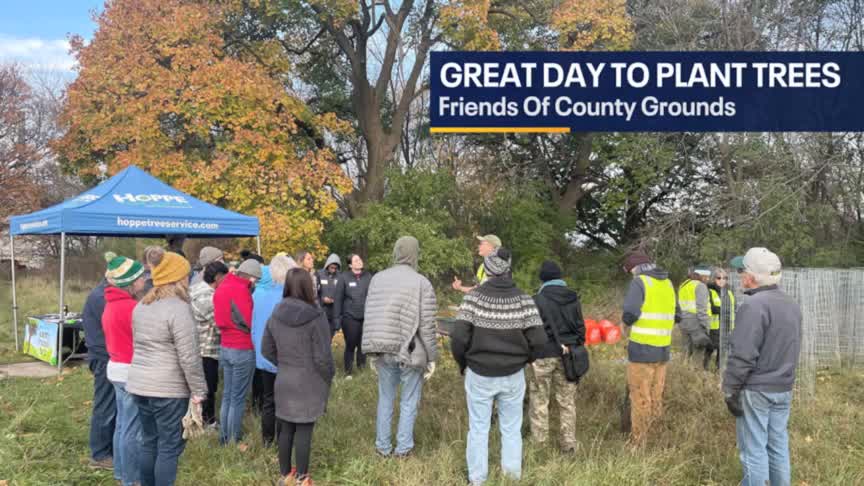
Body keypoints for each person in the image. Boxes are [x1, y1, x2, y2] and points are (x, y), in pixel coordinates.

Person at [450, 248, 546, 485]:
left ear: (487, 270)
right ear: (508, 270)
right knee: (512, 429)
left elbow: (458, 337)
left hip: (479, 372)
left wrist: (463, 363)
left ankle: (477, 480)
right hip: (513, 374)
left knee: (478, 428)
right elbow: (539, 340)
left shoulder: (473, 298)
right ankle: (511, 479)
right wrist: (526, 359)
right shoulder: (524, 299)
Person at [126, 251, 206, 486]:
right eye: (186, 275)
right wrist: (199, 391)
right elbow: (189, 356)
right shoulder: (179, 309)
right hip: (168, 390)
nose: (189, 279)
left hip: (140, 385)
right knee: (169, 447)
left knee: (149, 441)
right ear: (178, 278)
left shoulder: (142, 306)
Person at [723, 248, 801, 486]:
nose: (740, 276)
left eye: (742, 271)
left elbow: (742, 354)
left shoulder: (754, 305)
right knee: (777, 446)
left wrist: (730, 389)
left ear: (751, 277)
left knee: (753, 450)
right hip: (783, 387)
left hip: (757, 389)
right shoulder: (791, 303)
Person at [362, 236, 438, 458]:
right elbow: (427, 326)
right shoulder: (422, 283)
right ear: (415, 254)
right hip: (411, 350)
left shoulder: (377, 279)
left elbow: (370, 315)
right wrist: (432, 356)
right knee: (409, 400)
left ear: (396, 252)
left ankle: (382, 448)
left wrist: (371, 349)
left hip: (382, 348)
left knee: (385, 398)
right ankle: (403, 450)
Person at [261, 268, 335, 486]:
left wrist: (284, 364)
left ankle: (285, 475)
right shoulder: (317, 316)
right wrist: (328, 376)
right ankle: (302, 477)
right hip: (309, 380)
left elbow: (266, 349)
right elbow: (323, 356)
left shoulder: (276, 313)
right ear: (308, 287)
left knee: (285, 428)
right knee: (304, 429)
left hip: (284, 378)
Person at [621, 250, 676, 448]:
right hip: (663, 351)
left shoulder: (640, 282)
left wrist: (624, 325)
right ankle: (655, 438)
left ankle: (638, 443)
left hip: (642, 350)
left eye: (630, 271)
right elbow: (677, 314)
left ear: (635, 268)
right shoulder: (667, 283)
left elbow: (630, 312)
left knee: (640, 397)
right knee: (655, 396)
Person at [529, 260, 585, 453]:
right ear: (560, 277)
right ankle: (569, 444)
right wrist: (573, 347)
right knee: (567, 402)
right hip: (568, 356)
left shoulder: (537, 299)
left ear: (542, 278)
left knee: (539, 400)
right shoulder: (573, 298)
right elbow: (581, 330)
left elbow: (531, 330)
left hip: (542, 355)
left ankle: (539, 445)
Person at [102, 252, 148, 486]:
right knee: (133, 429)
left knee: (122, 425)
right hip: (131, 371)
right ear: (130, 282)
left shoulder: (111, 304)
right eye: (140, 277)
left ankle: (121, 473)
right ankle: (132, 479)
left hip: (116, 368)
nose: (144, 280)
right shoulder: (132, 308)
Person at [213, 258, 262, 445]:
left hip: (225, 346)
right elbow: (248, 321)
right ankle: (233, 439)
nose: (255, 283)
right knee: (238, 398)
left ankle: (224, 437)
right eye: (256, 279)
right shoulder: (241, 290)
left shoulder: (222, 287)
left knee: (227, 395)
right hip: (242, 347)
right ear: (250, 276)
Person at [252, 255, 295, 446]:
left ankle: (267, 441)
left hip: (263, 355)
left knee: (268, 400)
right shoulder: (287, 297)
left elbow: (253, 326)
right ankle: (283, 440)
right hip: (284, 357)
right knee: (285, 401)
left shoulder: (257, 294)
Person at [190, 261, 230, 427]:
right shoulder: (207, 297)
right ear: (218, 277)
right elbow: (219, 323)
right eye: (225, 278)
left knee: (203, 387)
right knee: (208, 387)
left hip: (197, 346)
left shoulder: (195, 289)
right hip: (206, 349)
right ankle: (208, 422)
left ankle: (200, 419)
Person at [82, 275, 115, 470]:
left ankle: (109, 449)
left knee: (112, 406)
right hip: (104, 358)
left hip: (106, 356)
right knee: (105, 406)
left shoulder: (103, 294)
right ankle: (100, 455)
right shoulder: (102, 297)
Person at [334, 254, 372, 377]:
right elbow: (338, 299)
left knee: (363, 345)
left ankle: (361, 371)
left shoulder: (368, 276)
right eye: (356, 260)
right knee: (351, 344)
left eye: (360, 259)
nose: (359, 261)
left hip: (365, 317)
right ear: (350, 265)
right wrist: (337, 319)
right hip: (349, 317)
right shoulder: (344, 277)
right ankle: (348, 372)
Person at [677, 264, 714, 362]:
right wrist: (705, 326)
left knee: (685, 349)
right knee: (699, 350)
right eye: (706, 276)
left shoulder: (683, 285)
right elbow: (702, 309)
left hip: (683, 322)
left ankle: (682, 368)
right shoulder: (701, 286)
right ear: (701, 276)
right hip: (696, 322)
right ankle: (695, 370)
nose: (708, 279)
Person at [706, 267, 736, 371]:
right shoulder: (710, 291)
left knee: (722, 351)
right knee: (709, 349)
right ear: (714, 279)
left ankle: (718, 371)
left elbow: (734, 307)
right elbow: (712, 308)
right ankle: (703, 370)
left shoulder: (730, 292)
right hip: (714, 327)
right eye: (719, 278)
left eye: (725, 278)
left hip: (727, 326)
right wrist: (724, 310)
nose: (722, 280)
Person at [317, 253, 342, 337]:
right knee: (321, 334)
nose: (333, 270)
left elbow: (341, 293)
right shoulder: (319, 274)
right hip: (321, 310)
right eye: (332, 267)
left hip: (334, 312)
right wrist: (322, 299)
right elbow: (315, 292)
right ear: (327, 265)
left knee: (330, 335)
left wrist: (335, 300)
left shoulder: (340, 276)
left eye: (335, 268)